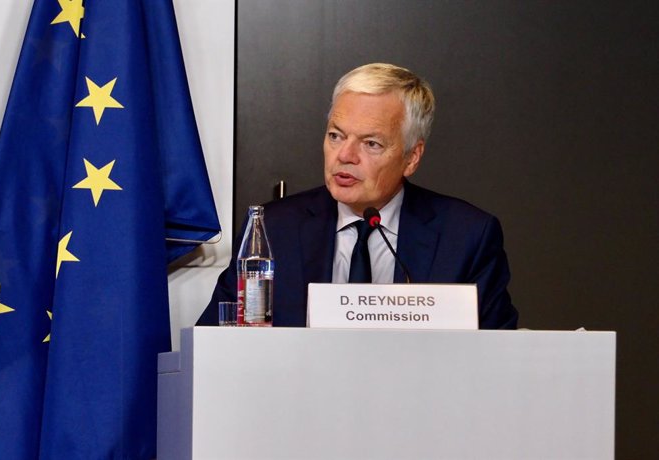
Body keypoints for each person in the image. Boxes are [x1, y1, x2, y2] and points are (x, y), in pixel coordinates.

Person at [198, 63, 518, 329]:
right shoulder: (274, 228)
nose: (345, 155)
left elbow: (497, 356)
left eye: (371, 144)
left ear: (412, 157)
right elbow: (215, 341)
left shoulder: (465, 237)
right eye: (336, 136)